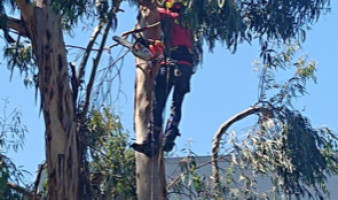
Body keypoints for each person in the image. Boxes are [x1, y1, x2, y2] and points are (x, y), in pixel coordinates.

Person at [132, 0, 196, 157]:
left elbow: (150, 8)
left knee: (157, 104)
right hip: (187, 67)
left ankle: (152, 143)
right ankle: (170, 137)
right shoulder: (189, 21)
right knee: (176, 104)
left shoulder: (167, 16)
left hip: (171, 65)